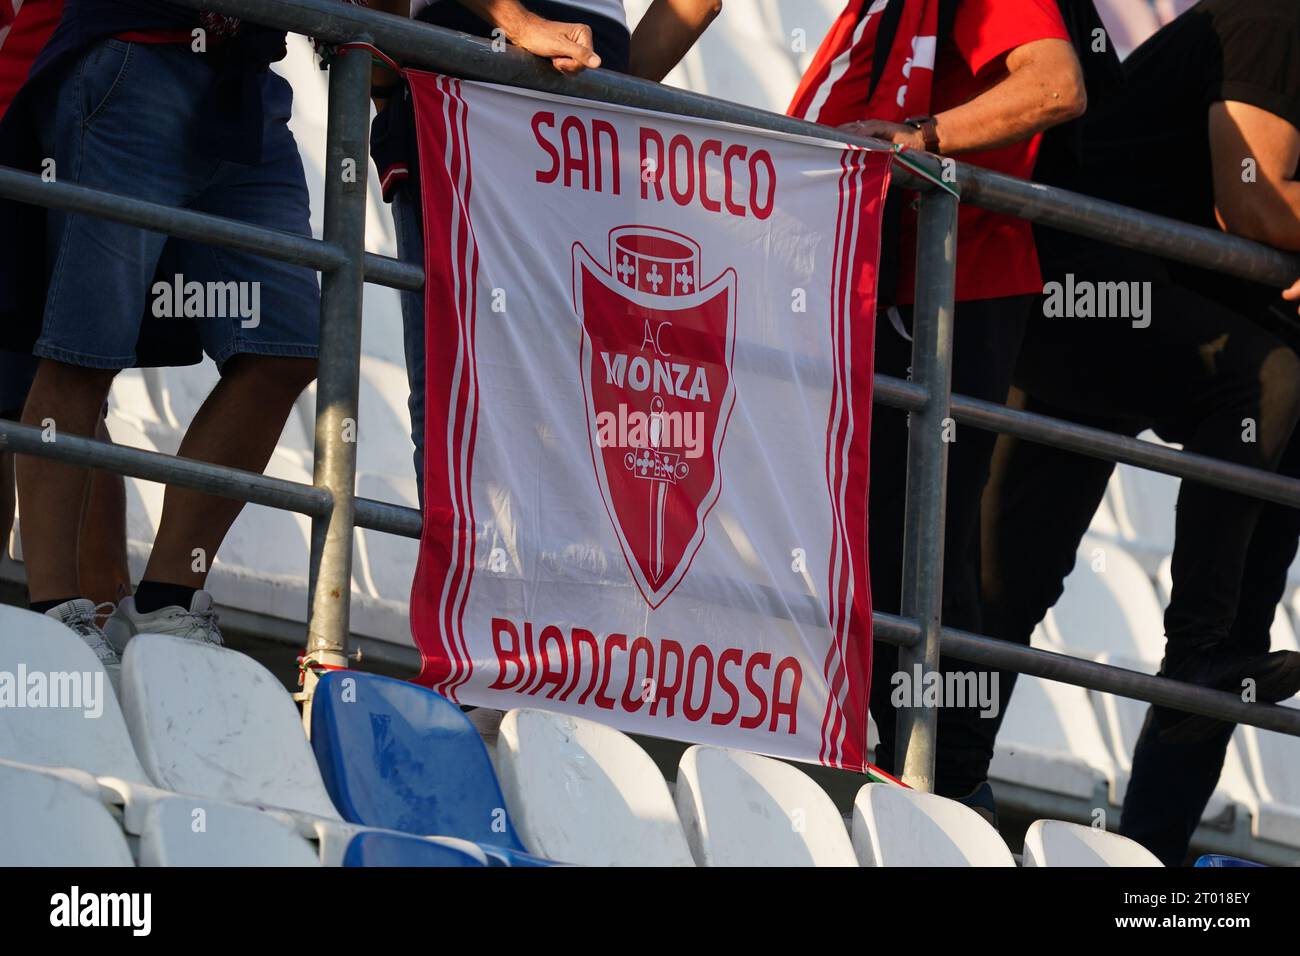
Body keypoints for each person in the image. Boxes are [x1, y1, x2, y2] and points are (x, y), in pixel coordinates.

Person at [978, 0, 1300, 862]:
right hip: (1080, 290)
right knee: (1002, 586)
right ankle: (932, 799)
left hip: (1179, 305)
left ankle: (1148, 864)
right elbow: (1254, 200)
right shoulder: (1280, 15)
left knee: (1237, 628)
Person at [0, 1, 395, 672]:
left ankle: (164, 601)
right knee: (82, 350)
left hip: (245, 82)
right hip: (135, 51)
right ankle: (56, 615)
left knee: (288, 347)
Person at [794, 0, 1090, 813]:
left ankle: (942, 792)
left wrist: (919, 139)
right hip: (892, 284)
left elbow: (1056, 84)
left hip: (942, 285)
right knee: (898, 544)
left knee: (915, 550)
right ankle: (923, 783)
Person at [368, 0, 724, 506]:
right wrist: (608, 90)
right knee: (574, 397)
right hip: (589, 114)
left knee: (457, 390)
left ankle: (465, 554)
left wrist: (516, 26)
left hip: (459, 79)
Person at [0, 0, 130, 619]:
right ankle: (104, 620)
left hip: (49, 117)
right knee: (67, 382)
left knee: (66, 380)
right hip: (63, 116)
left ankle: (103, 618)